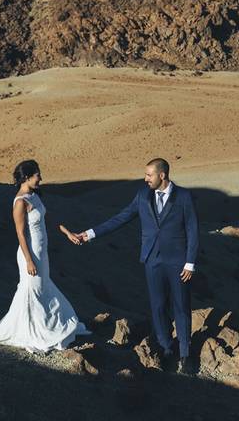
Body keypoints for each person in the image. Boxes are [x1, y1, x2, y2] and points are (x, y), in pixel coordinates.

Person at [70, 158, 199, 374]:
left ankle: (185, 354)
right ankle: (167, 349)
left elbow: (193, 230)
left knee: (181, 306)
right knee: (158, 306)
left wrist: (190, 262)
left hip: (178, 262)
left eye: (149, 174)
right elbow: (120, 218)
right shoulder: (142, 195)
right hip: (152, 260)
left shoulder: (184, 196)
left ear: (162, 175)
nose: (145, 178)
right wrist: (90, 234)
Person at [0, 160, 90, 353]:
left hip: (41, 252)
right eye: (37, 175)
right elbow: (20, 234)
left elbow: (48, 218)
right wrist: (28, 260)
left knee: (43, 287)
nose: (41, 178)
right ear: (27, 177)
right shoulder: (20, 202)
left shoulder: (34, 196)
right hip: (30, 253)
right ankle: (34, 331)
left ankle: (45, 326)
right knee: (32, 290)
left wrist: (68, 233)